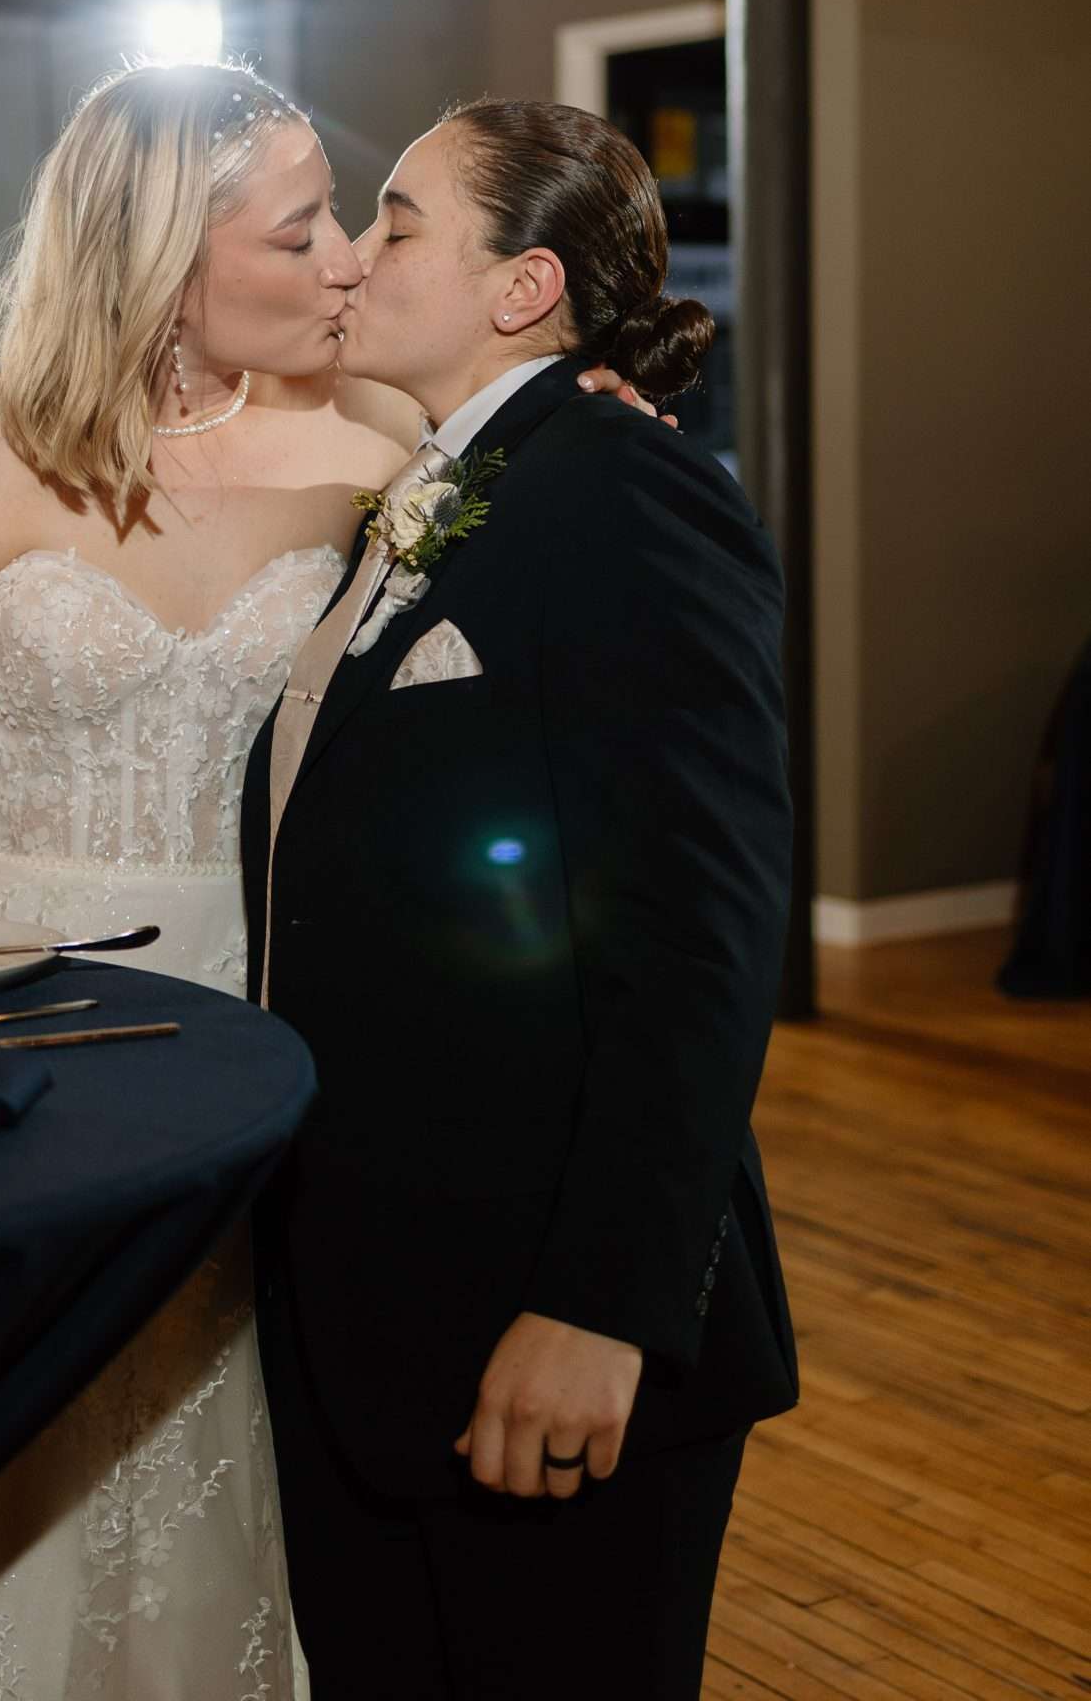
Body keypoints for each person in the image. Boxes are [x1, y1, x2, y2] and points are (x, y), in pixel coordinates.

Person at [0, 60, 653, 1701]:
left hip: (283, 1017)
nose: (347, 265)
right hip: (1, 1026)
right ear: (166, 252)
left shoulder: (396, 445)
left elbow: (536, 674)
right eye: (304, 231)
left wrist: (599, 422)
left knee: (254, 1455)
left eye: (353, 225)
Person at [239, 98, 799, 1701]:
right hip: (371, 1305)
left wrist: (598, 1310)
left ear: (520, 288)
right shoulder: (420, 500)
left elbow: (695, 936)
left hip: (541, 1319)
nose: (351, 255)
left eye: (396, 220)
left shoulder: (626, 492)